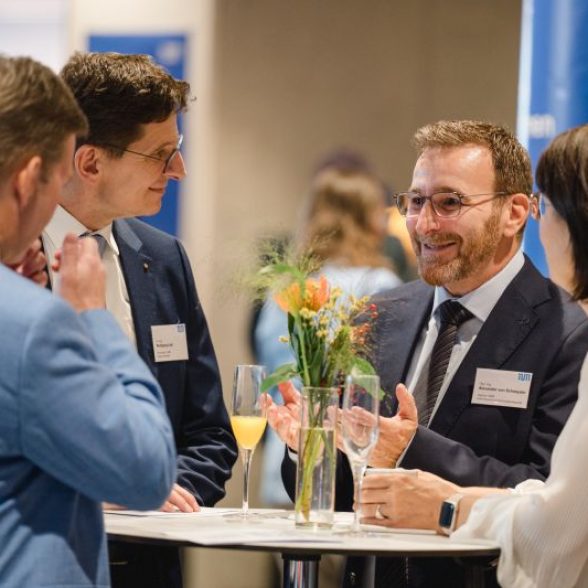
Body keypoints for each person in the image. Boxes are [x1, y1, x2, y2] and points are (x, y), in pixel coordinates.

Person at [267, 120, 588, 587]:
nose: (424, 223)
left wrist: (411, 449)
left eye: (449, 203)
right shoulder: (379, 314)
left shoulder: (567, 332)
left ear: (515, 212)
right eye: (416, 201)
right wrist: (307, 448)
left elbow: (547, 497)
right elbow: (341, 493)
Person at [43, 51, 237, 588]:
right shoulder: (12, 258)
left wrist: (156, 489)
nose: (179, 170)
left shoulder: (164, 258)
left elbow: (210, 433)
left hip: (149, 569)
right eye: (160, 155)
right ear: (90, 163)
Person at [0, 55, 176, 587]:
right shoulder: (32, 324)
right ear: (32, 179)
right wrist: (92, 321)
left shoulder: (164, 258)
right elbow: (146, 470)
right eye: (56, 178)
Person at [255, 164, 401, 506]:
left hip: (286, 458)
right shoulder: (380, 287)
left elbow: (273, 371)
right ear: (365, 218)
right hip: (344, 465)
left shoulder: (288, 284)